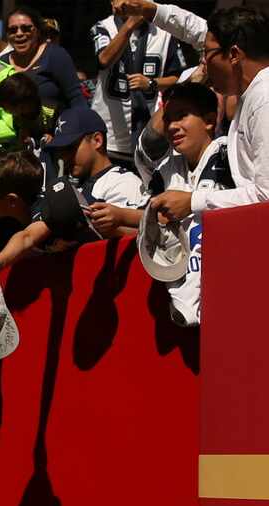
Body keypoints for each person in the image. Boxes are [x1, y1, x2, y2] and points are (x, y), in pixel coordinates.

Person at [114, 0, 269, 218]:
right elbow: (197, 30)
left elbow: (266, 196)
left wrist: (192, 201)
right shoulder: (254, 90)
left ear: (234, 55)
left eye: (206, 53)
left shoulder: (265, 99)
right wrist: (153, 10)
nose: (203, 62)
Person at [135, 82, 234, 325]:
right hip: (183, 294)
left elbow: (257, 198)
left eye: (182, 116)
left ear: (210, 120)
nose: (172, 126)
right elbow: (145, 149)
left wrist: (192, 202)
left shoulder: (230, 155)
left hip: (231, 285)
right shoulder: (165, 170)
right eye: (168, 119)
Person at [91, 0, 186, 167]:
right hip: (109, 135)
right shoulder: (104, 27)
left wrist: (152, 83)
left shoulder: (164, 33)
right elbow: (104, 59)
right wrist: (129, 25)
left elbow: (178, 77)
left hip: (147, 134)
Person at [45, 106, 149, 236]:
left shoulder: (123, 182)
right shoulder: (75, 187)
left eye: (70, 148)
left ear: (97, 140)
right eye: (61, 151)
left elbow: (140, 238)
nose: (64, 157)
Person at [0, 6, 87, 131]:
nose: (19, 33)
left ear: (38, 31)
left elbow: (76, 98)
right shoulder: (0, 63)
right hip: (10, 140)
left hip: (56, 138)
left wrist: (79, 132)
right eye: (12, 30)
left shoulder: (55, 55)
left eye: (26, 28)